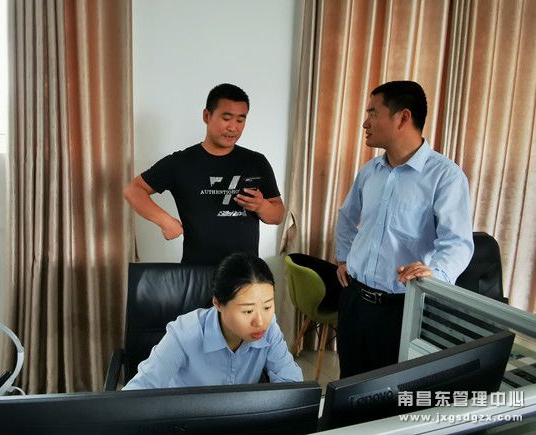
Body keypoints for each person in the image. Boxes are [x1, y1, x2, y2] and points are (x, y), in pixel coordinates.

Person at [335, 80, 474, 378]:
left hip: (401, 309)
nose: (365, 123)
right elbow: (346, 217)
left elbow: (457, 243)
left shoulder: (445, 177)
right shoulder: (370, 171)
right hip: (354, 302)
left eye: (373, 113)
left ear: (402, 118)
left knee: (392, 393)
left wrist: (436, 274)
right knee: (349, 385)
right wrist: (344, 257)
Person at [123, 83, 285, 266]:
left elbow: (277, 215)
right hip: (195, 272)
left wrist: (261, 206)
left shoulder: (256, 161)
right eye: (226, 118)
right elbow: (133, 190)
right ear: (207, 116)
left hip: (245, 272)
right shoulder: (180, 162)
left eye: (240, 120)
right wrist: (164, 221)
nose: (233, 127)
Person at [122, 252, 303, 389]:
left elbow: (292, 384)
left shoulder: (268, 328)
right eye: (248, 311)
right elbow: (140, 389)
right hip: (187, 418)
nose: (260, 321)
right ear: (218, 303)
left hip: (240, 419)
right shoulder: (184, 333)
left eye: (267, 307)